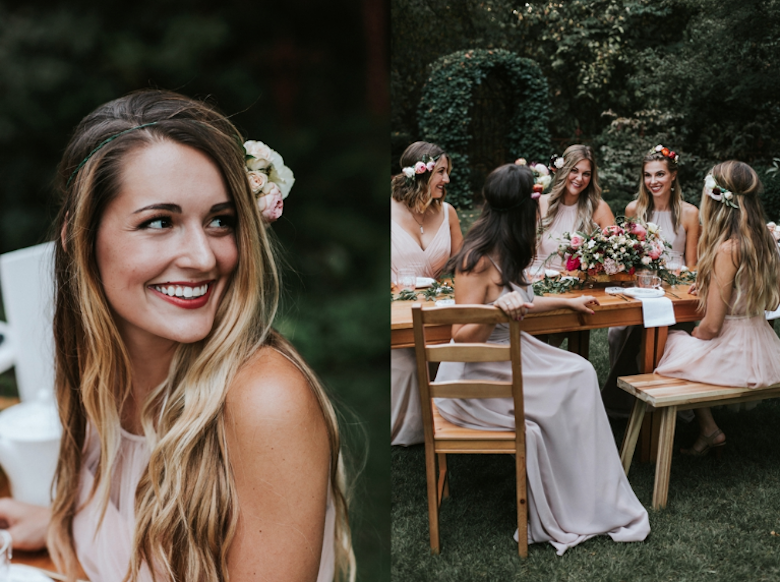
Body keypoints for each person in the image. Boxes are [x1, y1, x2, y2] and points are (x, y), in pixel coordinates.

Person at [0, 90, 353, 582]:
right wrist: (65, 523)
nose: (203, 257)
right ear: (79, 234)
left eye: (220, 221)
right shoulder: (100, 370)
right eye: (160, 222)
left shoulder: (265, 400)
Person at [434, 163, 650, 555]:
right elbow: (460, 336)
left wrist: (568, 302)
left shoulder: (508, 248)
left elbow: (523, 299)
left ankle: (588, 490)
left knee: (582, 371)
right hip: (479, 374)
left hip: (510, 356)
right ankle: (576, 497)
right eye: (536, 203)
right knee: (577, 378)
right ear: (521, 210)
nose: (540, 209)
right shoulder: (476, 260)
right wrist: (498, 311)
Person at [654, 161, 780, 455]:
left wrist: (694, 335)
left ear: (715, 200)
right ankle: (708, 430)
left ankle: (698, 429)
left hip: (734, 350)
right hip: (764, 345)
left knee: (665, 344)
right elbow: (773, 302)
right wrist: (714, 286)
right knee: (680, 342)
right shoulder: (767, 241)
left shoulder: (727, 249)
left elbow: (711, 327)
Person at [602, 145, 700, 416]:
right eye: (648, 175)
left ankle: (667, 402)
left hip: (676, 291)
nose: (653, 181)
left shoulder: (689, 213)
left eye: (660, 175)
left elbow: (692, 265)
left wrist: (678, 281)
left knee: (656, 333)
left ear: (673, 176)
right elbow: (626, 258)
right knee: (618, 331)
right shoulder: (634, 209)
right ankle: (625, 398)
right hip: (641, 286)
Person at [390, 141, 462, 446]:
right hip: (393, 310)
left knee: (460, 347)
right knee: (406, 363)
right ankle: (406, 430)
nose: (446, 179)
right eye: (441, 172)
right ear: (421, 173)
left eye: (447, 172)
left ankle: (455, 418)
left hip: (436, 306)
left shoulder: (448, 212)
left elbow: (463, 266)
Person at [531, 144, 615, 274]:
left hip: (578, 290)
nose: (579, 179)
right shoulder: (539, 203)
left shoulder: (600, 209)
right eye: (574, 171)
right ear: (563, 170)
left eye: (586, 174)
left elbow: (613, 260)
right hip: (537, 283)